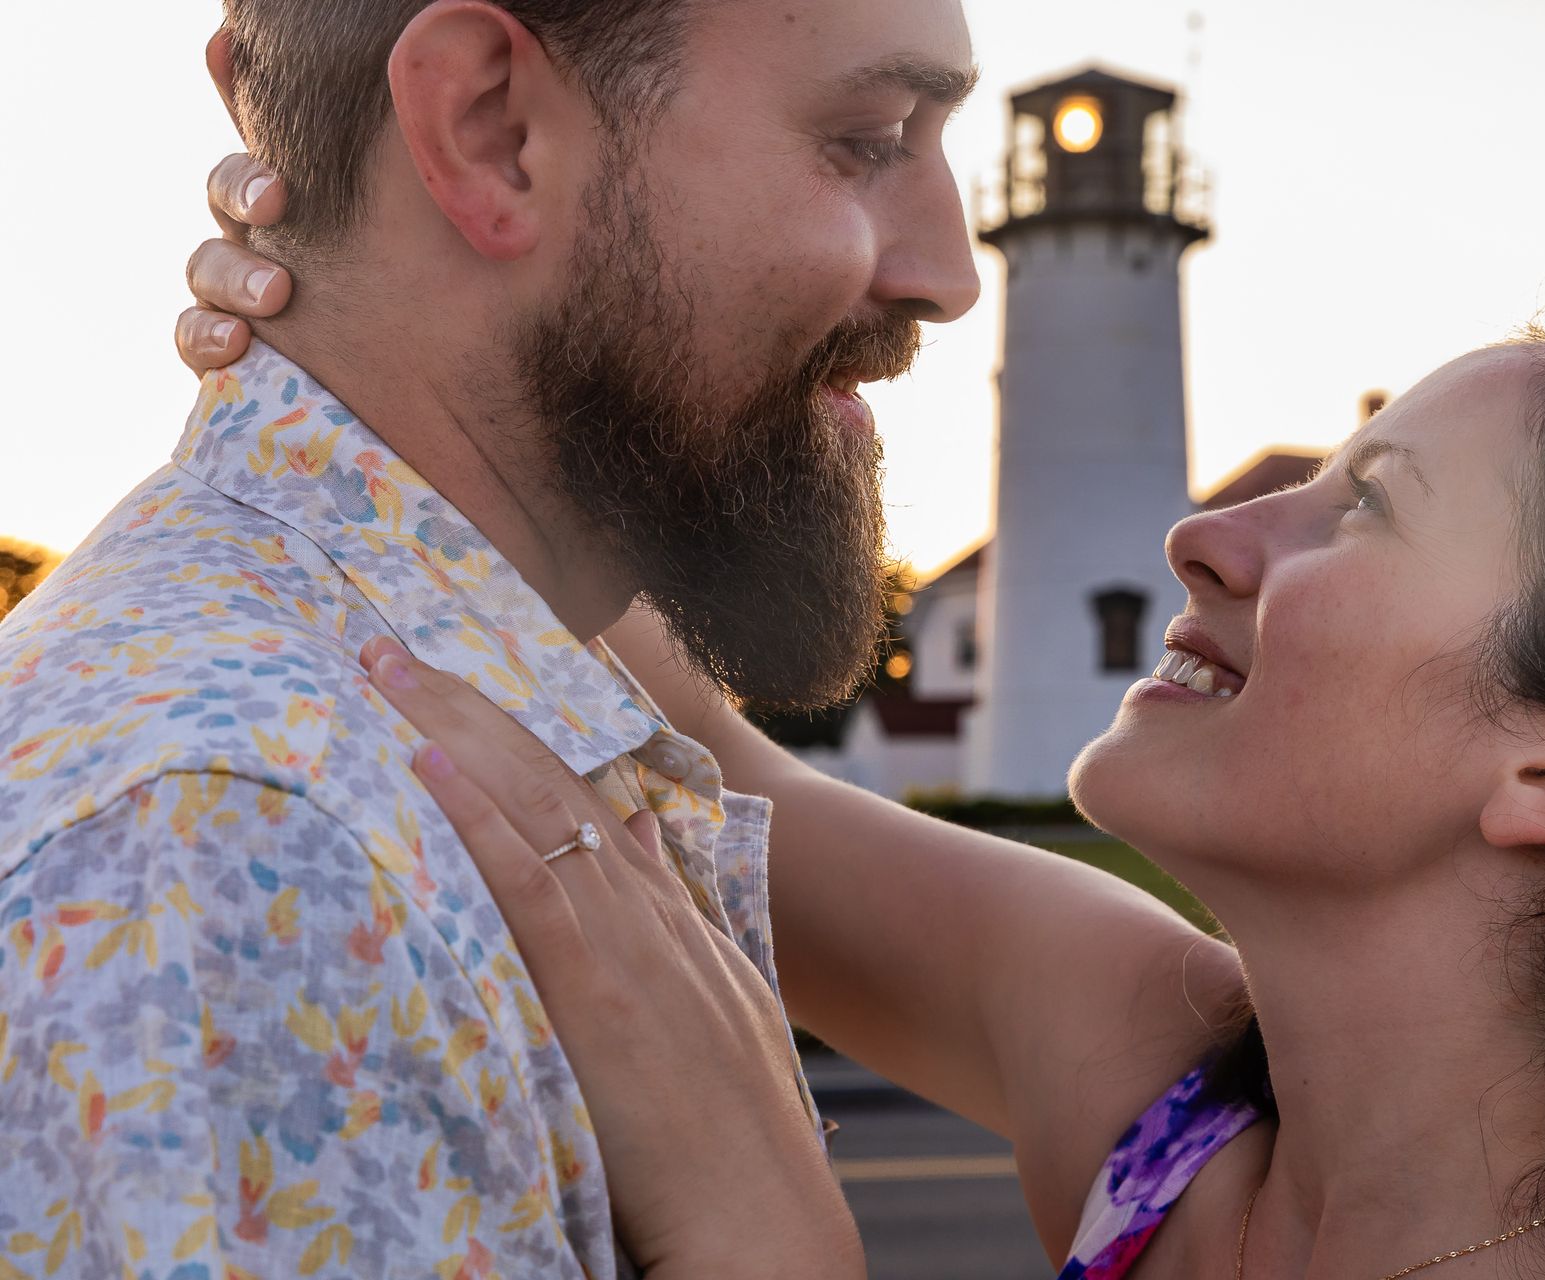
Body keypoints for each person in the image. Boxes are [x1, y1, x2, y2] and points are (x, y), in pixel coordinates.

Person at [192, 144, 1545, 1278]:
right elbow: (707, 758)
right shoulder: (1168, 1097)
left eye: (1367, 508)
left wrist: (759, 1230)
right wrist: (401, 307)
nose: (1206, 535)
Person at [1, 0, 985, 1273]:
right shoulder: (246, 845)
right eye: (871, 136)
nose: (949, 273)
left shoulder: (447, 705)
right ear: (489, 129)